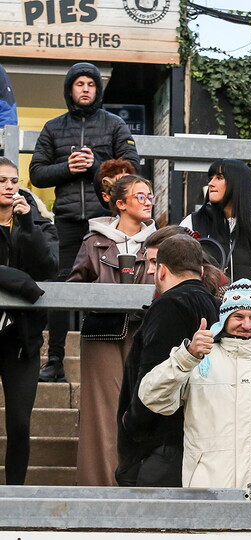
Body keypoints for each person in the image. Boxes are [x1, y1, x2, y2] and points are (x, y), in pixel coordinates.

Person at [138, 279, 251, 489]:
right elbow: (152, 398)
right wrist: (186, 357)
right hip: (207, 496)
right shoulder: (199, 360)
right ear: (224, 319)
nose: (247, 325)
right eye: (238, 316)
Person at [30, 62, 140, 383]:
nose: (85, 89)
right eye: (79, 84)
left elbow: (131, 169)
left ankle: (115, 357)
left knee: (109, 284)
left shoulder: (115, 124)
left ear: (98, 90)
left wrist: (95, 167)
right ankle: (55, 360)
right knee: (62, 286)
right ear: (70, 90)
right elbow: (37, 172)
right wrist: (67, 166)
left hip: (105, 220)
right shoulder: (52, 127)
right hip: (65, 219)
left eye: (90, 84)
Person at [68, 174, 156, 486]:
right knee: (100, 414)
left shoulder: (161, 242)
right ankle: (98, 487)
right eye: (140, 196)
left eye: (150, 196)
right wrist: (106, 293)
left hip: (146, 331)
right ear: (120, 204)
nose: (148, 202)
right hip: (103, 331)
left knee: (141, 407)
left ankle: (137, 484)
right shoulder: (94, 241)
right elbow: (74, 286)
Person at [116, 230, 220, 486]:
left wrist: (132, 421)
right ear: (202, 272)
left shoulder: (167, 306)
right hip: (202, 439)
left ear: (162, 270)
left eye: (154, 266)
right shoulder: (218, 307)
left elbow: (150, 377)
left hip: (161, 444)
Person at [0, 158, 58, 484]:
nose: (10, 186)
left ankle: (14, 494)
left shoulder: (38, 225)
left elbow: (48, 270)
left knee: (20, 423)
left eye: (13, 180)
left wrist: (28, 226)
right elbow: (30, 282)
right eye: (2, 181)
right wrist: (21, 283)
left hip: (23, 338)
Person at [181, 159, 251, 283]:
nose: (211, 183)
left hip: (249, 301)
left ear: (237, 183)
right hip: (203, 302)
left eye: (219, 178)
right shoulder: (193, 222)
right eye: (211, 178)